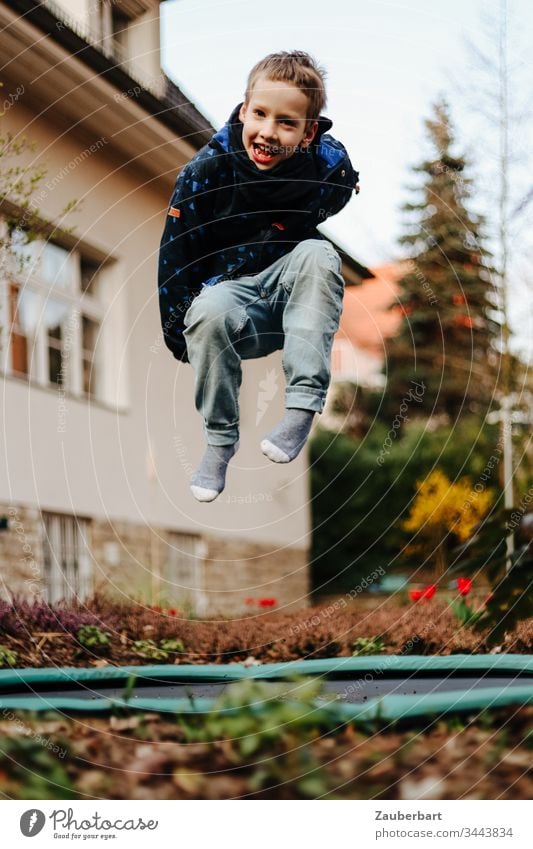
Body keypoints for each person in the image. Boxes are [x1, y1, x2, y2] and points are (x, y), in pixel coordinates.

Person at [158, 50, 359, 502]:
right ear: (243, 110)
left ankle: (302, 408)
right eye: (260, 114)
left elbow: (343, 181)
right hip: (235, 308)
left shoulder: (326, 170)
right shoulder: (205, 173)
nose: (268, 132)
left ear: (308, 133)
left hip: (291, 301)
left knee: (317, 253)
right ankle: (219, 441)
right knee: (207, 308)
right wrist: (179, 337)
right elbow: (177, 253)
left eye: (286, 123)